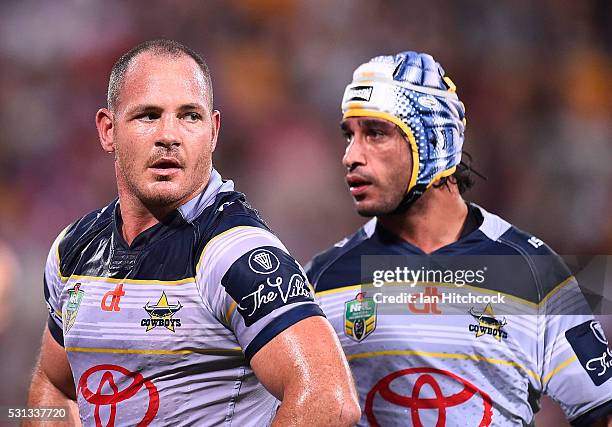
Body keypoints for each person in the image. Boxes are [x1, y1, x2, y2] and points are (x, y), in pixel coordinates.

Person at [27, 39, 360, 426]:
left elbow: (330, 400)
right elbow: (54, 384)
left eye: (189, 116)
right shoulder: (74, 249)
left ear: (213, 131)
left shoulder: (235, 253)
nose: (169, 134)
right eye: (148, 116)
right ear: (108, 130)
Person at [306, 51, 612, 426]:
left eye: (375, 133)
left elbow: (600, 410)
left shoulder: (534, 273)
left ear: (433, 142)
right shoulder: (321, 282)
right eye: (349, 136)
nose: (351, 156)